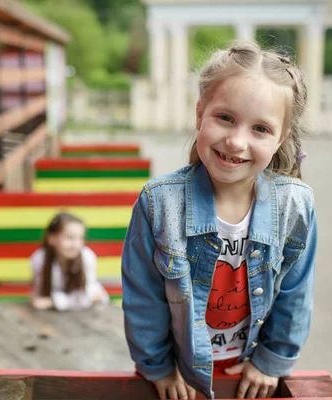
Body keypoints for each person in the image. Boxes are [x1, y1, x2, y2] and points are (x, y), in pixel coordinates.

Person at [121, 41, 318, 400]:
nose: (236, 141)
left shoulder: (295, 205)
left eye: (260, 128)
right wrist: (158, 367)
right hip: (178, 371)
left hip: (247, 368)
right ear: (200, 114)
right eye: (225, 118)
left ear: (281, 138)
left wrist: (271, 361)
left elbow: (296, 293)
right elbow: (142, 297)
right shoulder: (159, 203)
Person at [30, 212, 109, 311]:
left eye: (80, 238)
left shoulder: (87, 257)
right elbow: (38, 297)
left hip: (92, 313)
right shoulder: (39, 259)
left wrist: (52, 301)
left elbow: (86, 298)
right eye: (70, 238)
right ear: (51, 238)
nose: (76, 244)